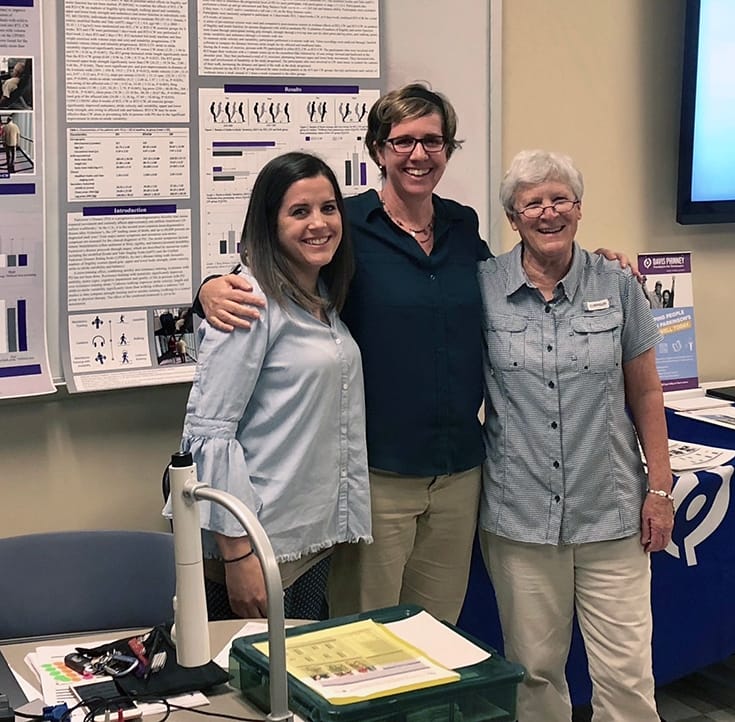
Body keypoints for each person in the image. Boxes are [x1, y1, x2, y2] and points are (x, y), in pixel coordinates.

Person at [196, 83, 637, 625]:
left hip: (459, 473)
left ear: (449, 150)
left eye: (433, 141)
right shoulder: (344, 226)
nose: (418, 155)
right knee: (366, 640)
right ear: (378, 149)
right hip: (377, 474)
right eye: (402, 140)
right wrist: (208, 289)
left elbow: (517, 280)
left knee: (436, 637)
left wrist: (592, 263)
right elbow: (272, 270)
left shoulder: (460, 226)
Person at [477, 149, 674, 722]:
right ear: (512, 218)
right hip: (520, 518)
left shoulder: (617, 283)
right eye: (531, 203)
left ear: (580, 209)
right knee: (534, 675)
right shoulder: (483, 287)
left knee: (628, 676)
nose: (548, 212)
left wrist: (659, 491)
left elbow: (647, 395)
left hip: (611, 513)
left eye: (560, 199)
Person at [164, 151, 371, 620]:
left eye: (328, 208)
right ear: (270, 223)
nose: (318, 223)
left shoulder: (320, 296)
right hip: (258, 547)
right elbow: (209, 435)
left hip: (308, 543)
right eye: (299, 212)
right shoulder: (247, 301)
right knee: (253, 690)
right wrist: (240, 557)